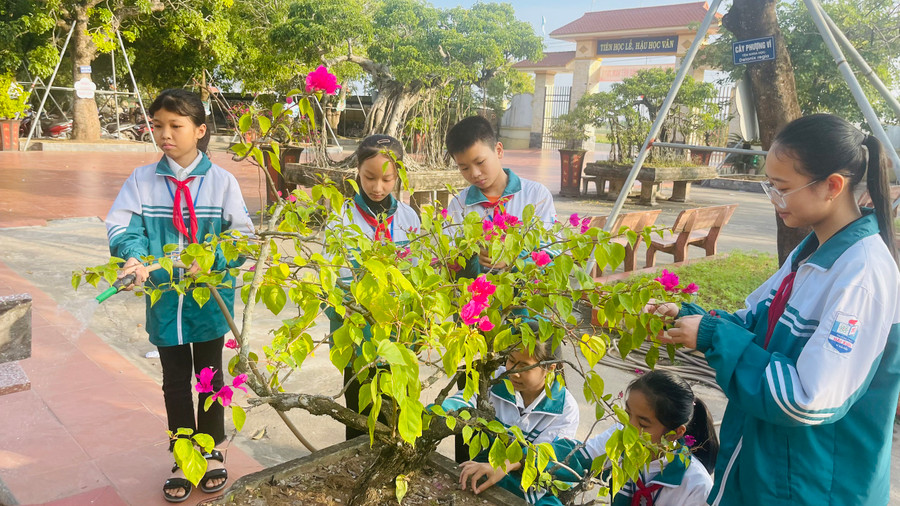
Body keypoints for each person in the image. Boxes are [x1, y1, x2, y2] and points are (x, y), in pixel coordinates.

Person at [653, 114, 900, 505]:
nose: (774, 199)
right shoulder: (811, 253)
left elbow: (806, 398)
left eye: (782, 188)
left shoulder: (862, 273)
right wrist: (689, 317)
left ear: (833, 186)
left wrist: (713, 336)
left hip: (812, 485)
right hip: (770, 466)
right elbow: (753, 322)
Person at [105, 88, 254, 503]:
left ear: (200, 129)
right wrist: (134, 258)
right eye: (157, 126)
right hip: (164, 300)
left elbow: (243, 238)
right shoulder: (141, 180)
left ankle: (211, 451)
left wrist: (213, 261)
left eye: (175, 125)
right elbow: (121, 227)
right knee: (174, 381)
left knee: (210, 378)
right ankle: (182, 453)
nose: (164, 134)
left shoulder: (222, 182)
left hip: (210, 298)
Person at [459, 370, 717, 506]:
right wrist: (510, 461)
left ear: (675, 434)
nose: (629, 428)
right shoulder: (622, 439)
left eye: (643, 423)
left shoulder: (694, 485)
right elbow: (575, 457)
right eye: (628, 415)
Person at [326, 134, 421, 440]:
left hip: (398, 337)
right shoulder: (341, 220)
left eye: (387, 179)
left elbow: (416, 279)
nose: (377, 187)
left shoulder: (409, 219)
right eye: (369, 177)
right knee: (359, 411)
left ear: (399, 175)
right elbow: (333, 282)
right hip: (359, 339)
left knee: (398, 408)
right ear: (357, 171)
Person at [443, 322, 579, 461]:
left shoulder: (564, 408)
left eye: (524, 366)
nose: (513, 372)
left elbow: (542, 460)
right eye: (511, 360)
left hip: (522, 480)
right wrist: (442, 411)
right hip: (484, 468)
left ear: (549, 368)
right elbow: (465, 399)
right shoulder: (494, 378)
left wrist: (499, 469)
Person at [444, 115, 557, 276]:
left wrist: (513, 259)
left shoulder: (536, 196)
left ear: (498, 150)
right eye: (464, 168)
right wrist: (472, 254)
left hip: (525, 298)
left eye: (480, 162)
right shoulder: (459, 204)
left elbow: (553, 251)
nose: (475, 173)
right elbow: (448, 258)